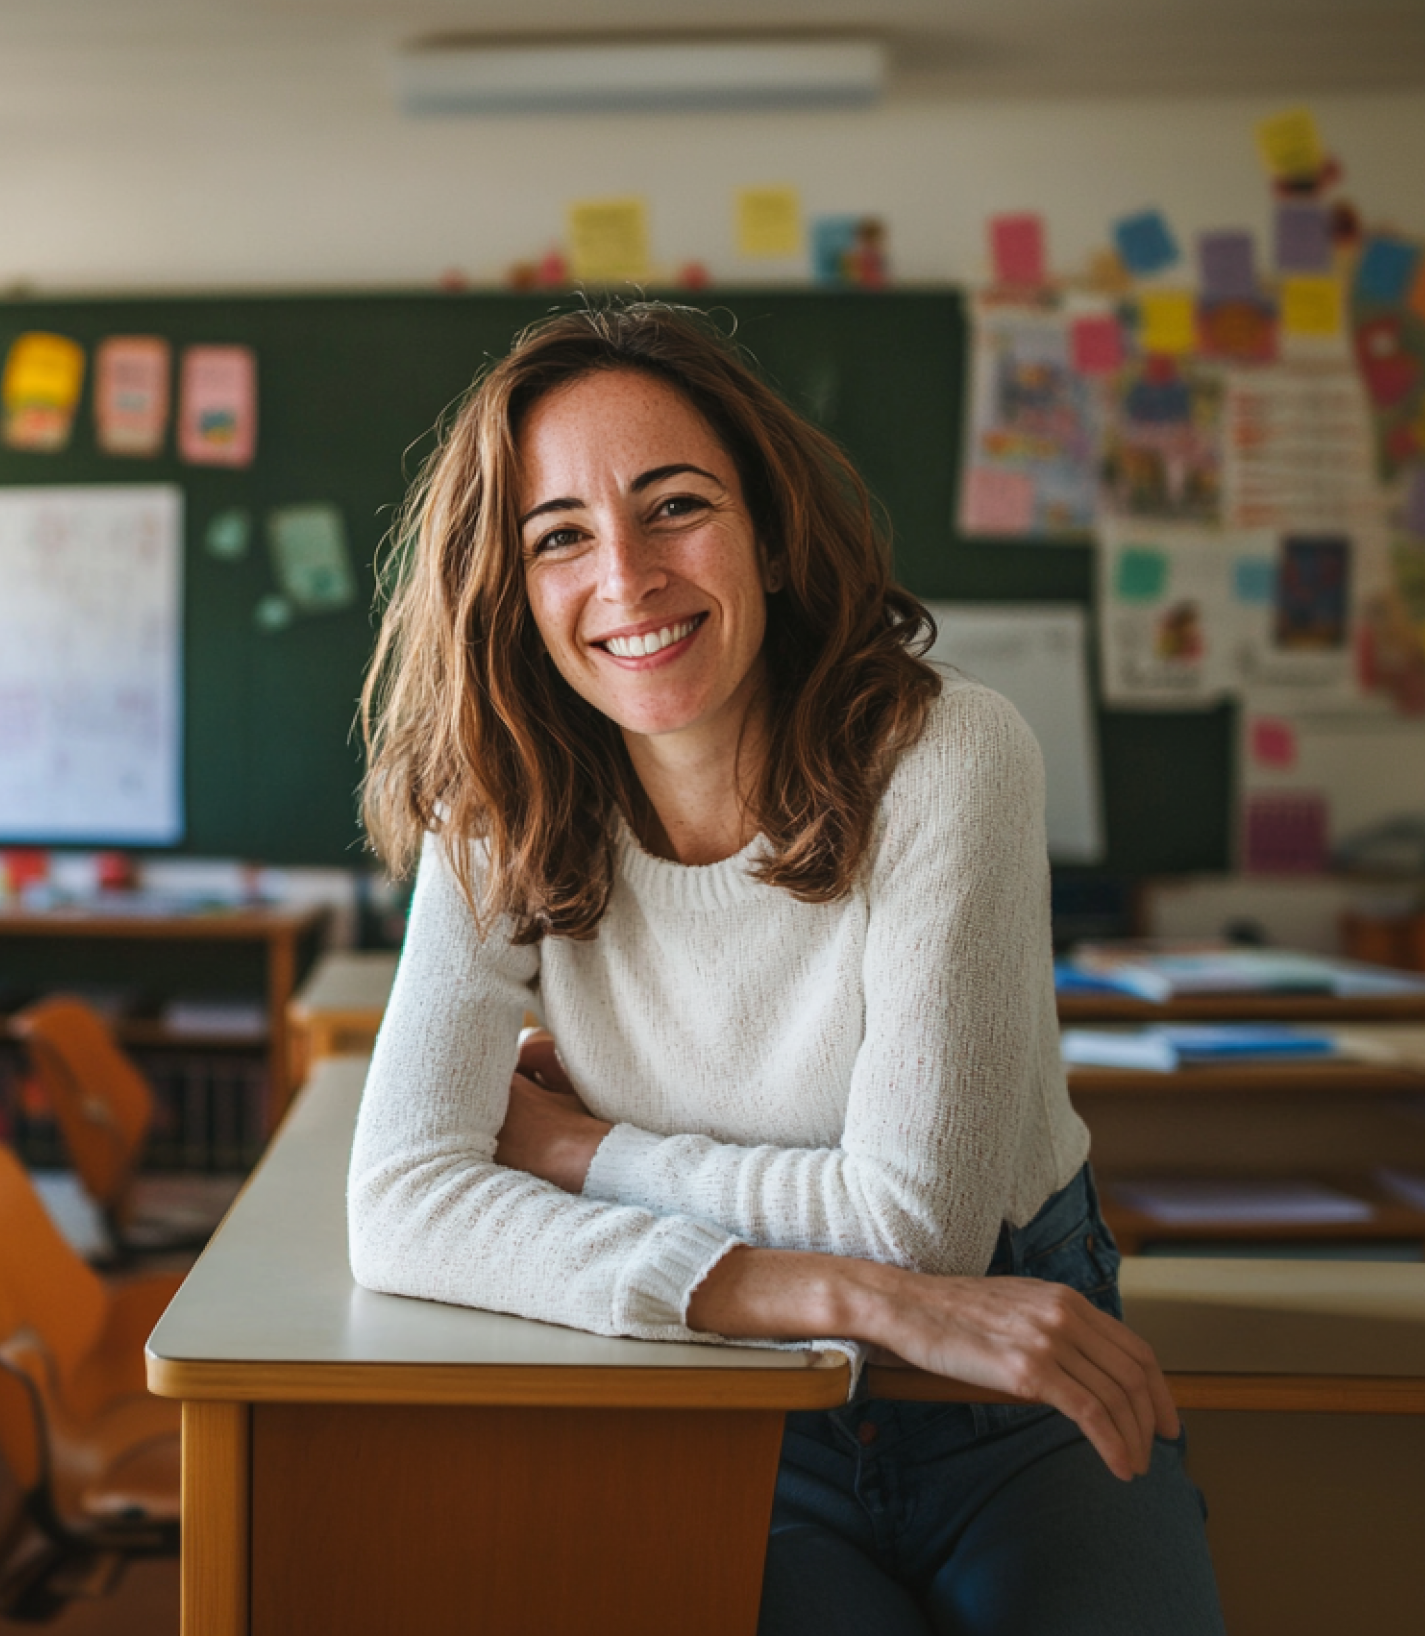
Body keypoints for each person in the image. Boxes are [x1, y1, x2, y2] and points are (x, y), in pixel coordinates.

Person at [349, 302, 1225, 1635]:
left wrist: (584, 1155)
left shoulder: (950, 754)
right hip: (703, 1376)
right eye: (560, 537)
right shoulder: (497, 811)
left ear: (764, 526)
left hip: (1006, 1376)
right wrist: (841, 1293)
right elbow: (401, 1206)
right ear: (513, 592)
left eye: (675, 506)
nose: (626, 576)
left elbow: (921, 1230)